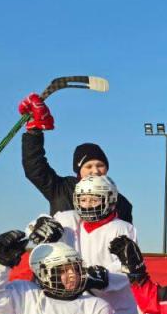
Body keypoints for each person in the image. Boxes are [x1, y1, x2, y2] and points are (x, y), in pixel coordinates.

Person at [40, 175, 141, 314]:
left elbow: (126, 268)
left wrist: (101, 277)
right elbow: (44, 221)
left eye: (94, 199)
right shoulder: (71, 222)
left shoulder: (122, 228)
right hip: (82, 309)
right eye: (83, 200)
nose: (87, 205)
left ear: (109, 200)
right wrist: (41, 226)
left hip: (118, 310)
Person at [17, 93, 134, 223]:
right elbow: (34, 167)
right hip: (64, 243)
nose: (95, 170)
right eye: (88, 166)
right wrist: (34, 133)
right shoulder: (61, 189)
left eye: (100, 165)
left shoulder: (121, 203)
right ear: (78, 169)